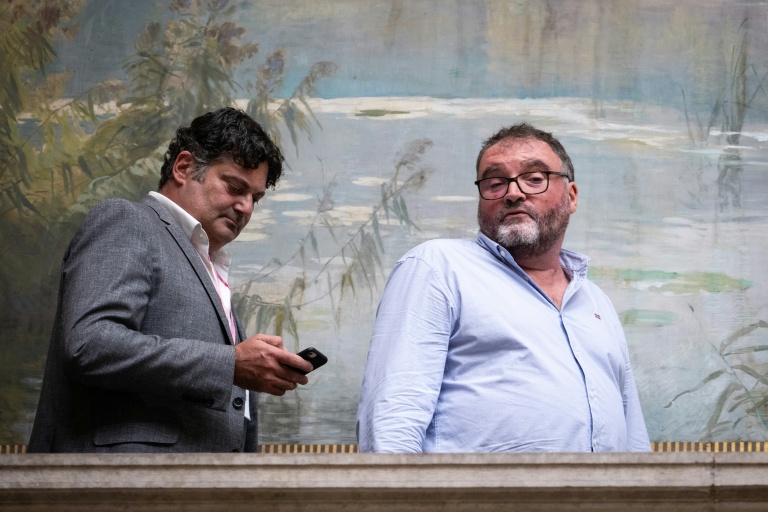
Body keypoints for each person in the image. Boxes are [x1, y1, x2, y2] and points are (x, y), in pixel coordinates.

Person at [28, 107, 314, 453]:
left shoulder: (207, 262)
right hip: (118, 490)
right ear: (184, 167)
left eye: (255, 197)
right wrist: (230, 364)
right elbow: (89, 344)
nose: (246, 208)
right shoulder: (127, 221)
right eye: (235, 187)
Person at [356, 123, 650, 453]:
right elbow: (394, 412)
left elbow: (632, 428)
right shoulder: (439, 266)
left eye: (535, 179)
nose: (513, 193)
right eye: (495, 183)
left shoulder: (595, 301)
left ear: (571, 197)